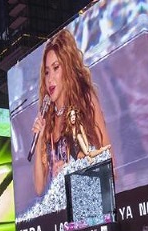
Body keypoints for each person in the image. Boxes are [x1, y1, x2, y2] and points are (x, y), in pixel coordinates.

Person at [31, 28, 110, 196]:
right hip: (59, 211)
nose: (50, 78)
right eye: (46, 72)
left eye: (56, 68)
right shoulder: (49, 120)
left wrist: (72, 169)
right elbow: (39, 188)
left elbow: (108, 158)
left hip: (87, 202)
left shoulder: (85, 101)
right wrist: (39, 138)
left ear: (67, 68)